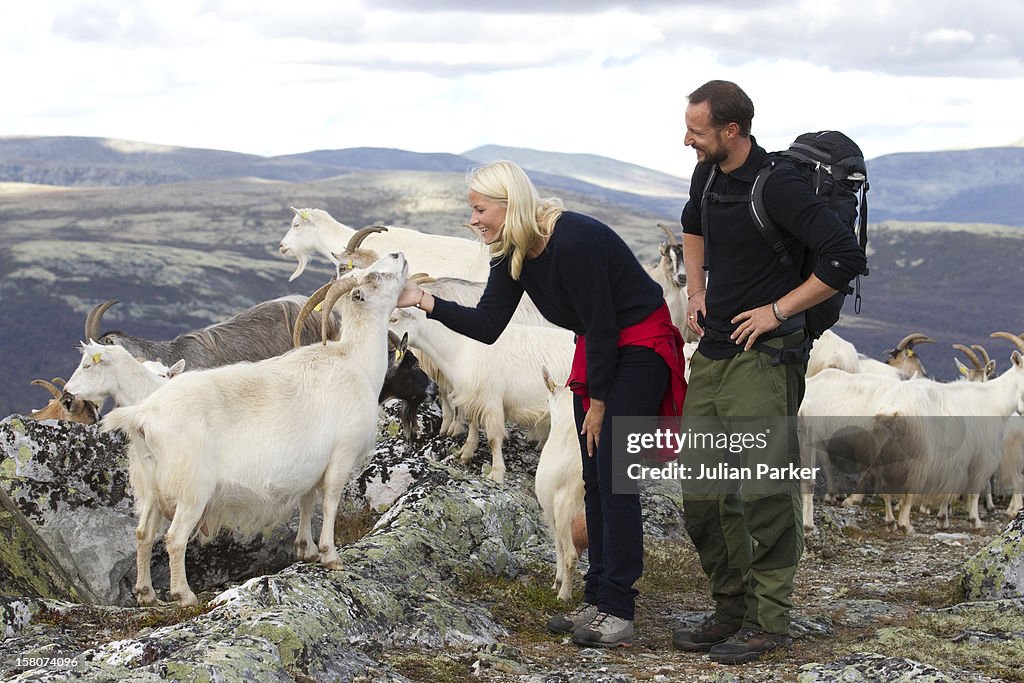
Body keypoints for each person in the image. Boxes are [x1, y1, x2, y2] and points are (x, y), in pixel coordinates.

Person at [397, 160, 687, 648]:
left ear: (510, 205)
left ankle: (618, 609)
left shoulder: (573, 240)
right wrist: (423, 300)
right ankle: (598, 600)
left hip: (638, 345)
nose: (473, 220)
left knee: (613, 471)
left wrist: (596, 403)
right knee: (592, 475)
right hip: (597, 349)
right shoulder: (511, 252)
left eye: (479, 209)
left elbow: (601, 322)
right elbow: (489, 325)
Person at [670, 80, 867, 664]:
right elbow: (692, 224)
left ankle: (768, 619)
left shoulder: (776, 185)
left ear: (732, 131)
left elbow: (844, 257)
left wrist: (779, 310)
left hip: (766, 358)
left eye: (697, 131)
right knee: (701, 493)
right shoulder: (707, 176)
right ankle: (729, 608)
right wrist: (696, 291)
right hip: (714, 352)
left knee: (762, 492)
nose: (686, 139)